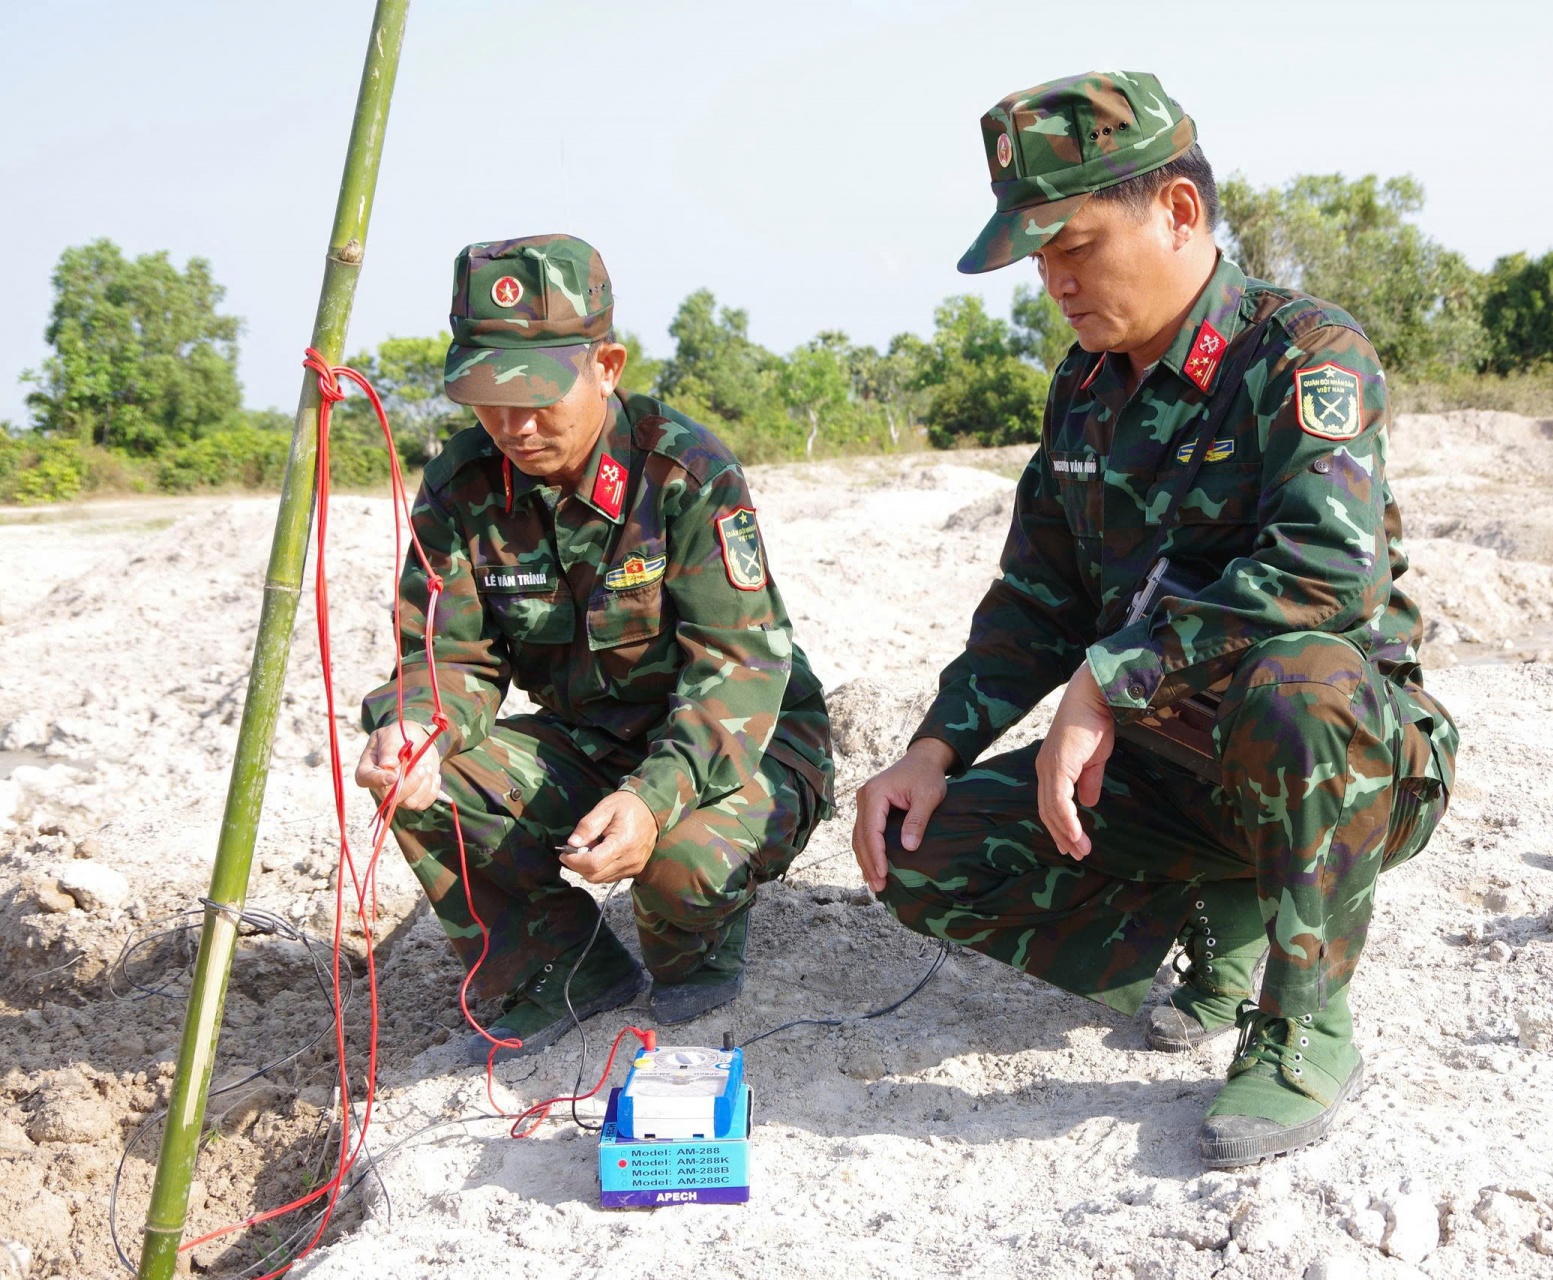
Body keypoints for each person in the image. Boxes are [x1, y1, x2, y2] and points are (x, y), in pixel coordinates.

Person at [852, 72, 1457, 1168]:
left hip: (1343, 761)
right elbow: (1034, 598)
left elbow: (1328, 569)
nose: (1056, 282)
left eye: (1075, 245)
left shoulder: (1303, 353)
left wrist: (1111, 675)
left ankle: (1302, 1020)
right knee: (922, 849)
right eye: (1042, 259)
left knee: (1297, 684)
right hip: (1173, 774)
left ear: (1178, 211)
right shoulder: (1083, 389)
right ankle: (1219, 912)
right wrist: (931, 749)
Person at [355, 234, 833, 1060]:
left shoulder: (681, 469)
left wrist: (651, 800)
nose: (513, 424)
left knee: (679, 871)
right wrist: (416, 727)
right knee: (426, 785)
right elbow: (452, 660)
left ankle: (699, 948)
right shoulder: (463, 486)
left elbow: (738, 669)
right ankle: (559, 971)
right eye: (486, 398)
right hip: (588, 740)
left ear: (606, 366)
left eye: (538, 395)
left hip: (740, 744)